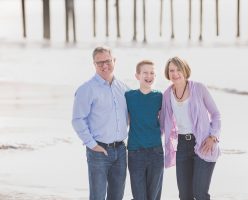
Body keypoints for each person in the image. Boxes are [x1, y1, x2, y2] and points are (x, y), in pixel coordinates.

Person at [160, 56, 221, 200]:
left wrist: (213, 137)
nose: (175, 73)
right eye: (171, 70)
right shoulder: (167, 94)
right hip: (182, 146)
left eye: (178, 69)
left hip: (203, 143)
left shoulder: (199, 88)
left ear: (185, 70)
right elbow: (162, 124)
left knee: (200, 194)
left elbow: (216, 114)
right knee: (185, 196)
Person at [72, 46, 128, 200]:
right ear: (94, 64)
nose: (104, 66)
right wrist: (92, 144)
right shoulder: (86, 89)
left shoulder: (123, 88)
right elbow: (77, 119)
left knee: (117, 196)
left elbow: (130, 116)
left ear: (114, 61)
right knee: (97, 196)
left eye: (108, 61)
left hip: (121, 150)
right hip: (98, 151)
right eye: (100, 63)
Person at [125, 60, 164, 200]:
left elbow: (169, 119)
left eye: (152, 73)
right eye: (145, 73)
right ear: (137, 76)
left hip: (156, 152)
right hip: (135, 153)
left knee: (153, 197)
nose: (149, 76)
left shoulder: (160, 96)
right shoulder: (129, 96)